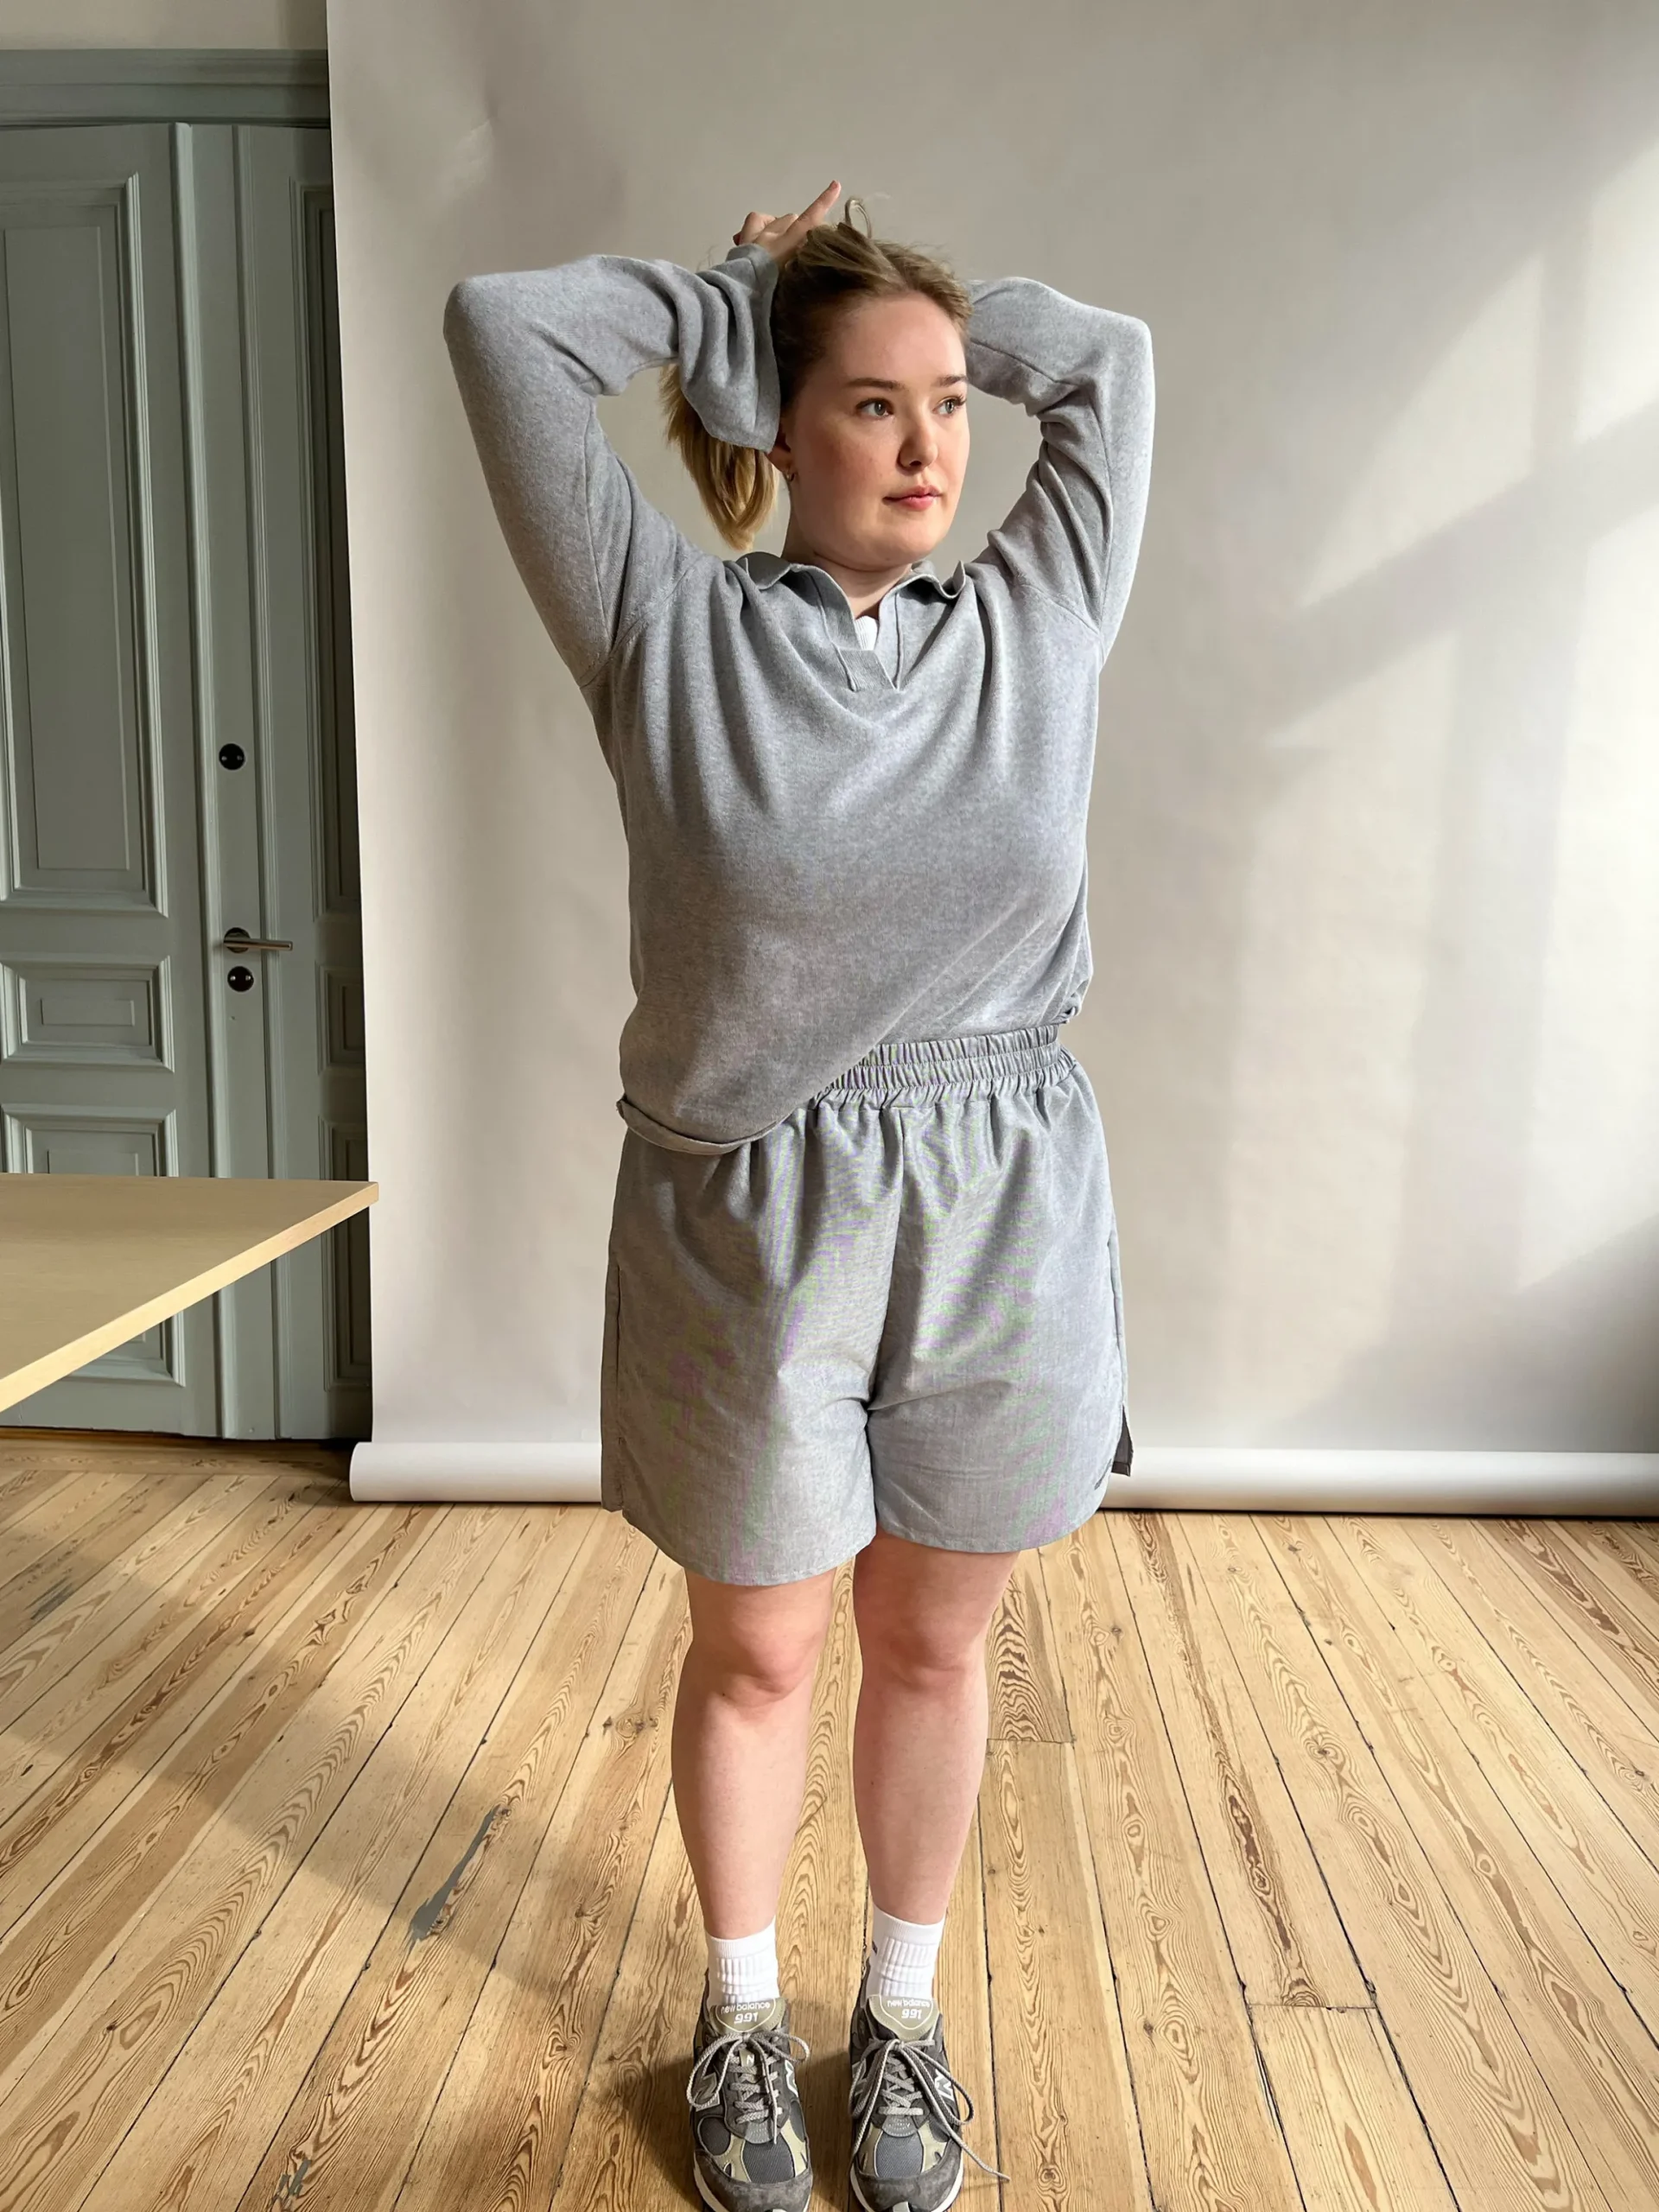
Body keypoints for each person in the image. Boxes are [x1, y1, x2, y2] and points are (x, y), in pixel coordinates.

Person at [443, 175, 1154, 2212]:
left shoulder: (1038, 613)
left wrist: (924, 306)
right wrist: (736, 301)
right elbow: (501, 331)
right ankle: (742, 2008)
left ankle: (899, 2009)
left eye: (951, 404)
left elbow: (1110, 368)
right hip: (749, 1220)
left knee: (934, 1639)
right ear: (780, 417)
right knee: (758, 1646)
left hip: (1002, 1203)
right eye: (875, 402)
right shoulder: (660, 626)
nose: (934, 444)